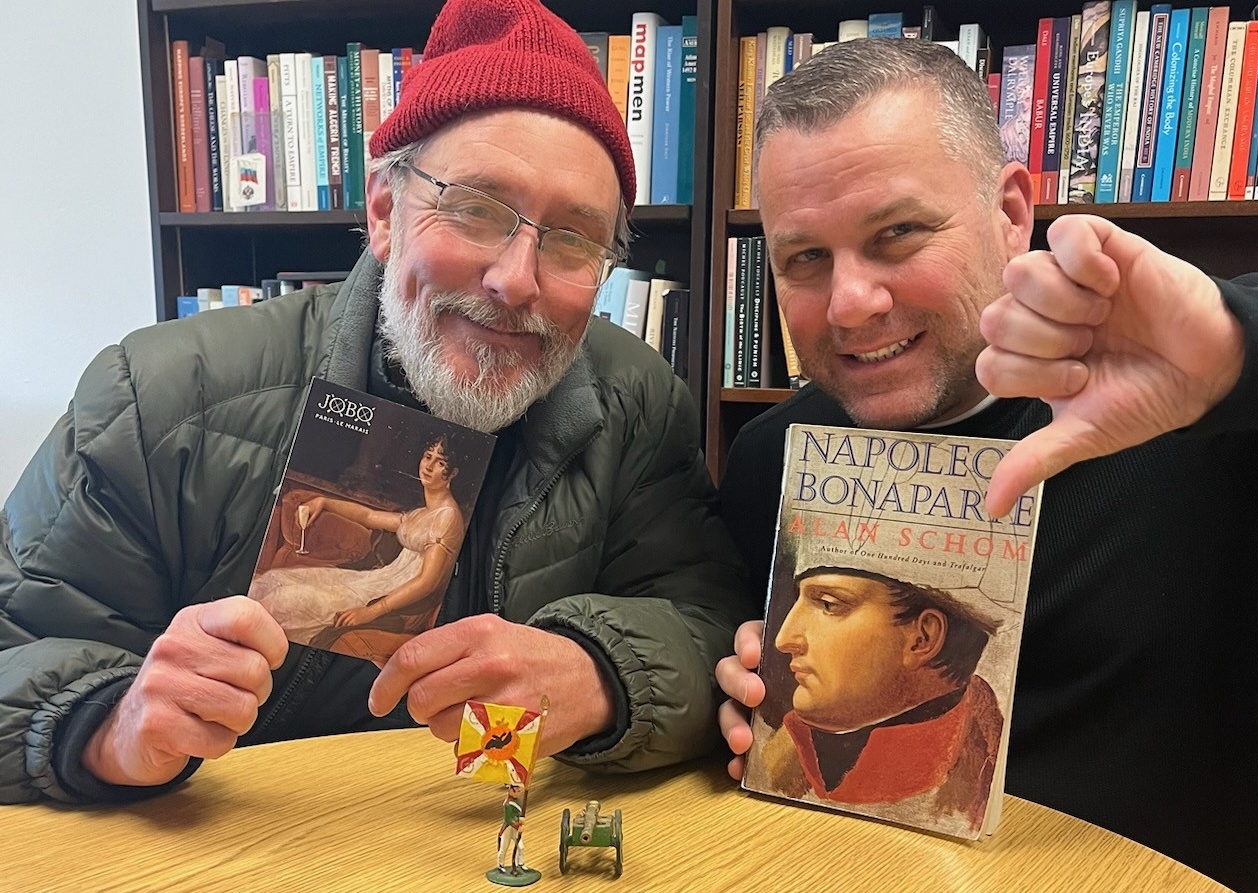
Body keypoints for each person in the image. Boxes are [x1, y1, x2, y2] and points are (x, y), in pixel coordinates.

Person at [0, 0, 751, 808]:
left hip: (489, 842)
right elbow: (18, 644)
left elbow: (717, 622)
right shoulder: (158, 397)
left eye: (573, 237)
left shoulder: (637, 403)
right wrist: (109, 726)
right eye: (476, 209)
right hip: (228, 849)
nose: (515, 280)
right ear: (385, 211)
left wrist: (604, 671)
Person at [714, 37, 1258, 893]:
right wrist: (729, 698)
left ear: (1012, 210)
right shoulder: (768, 462)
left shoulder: (1205, 420)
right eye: (805, 258)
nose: (851, 302)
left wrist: (1244, 348)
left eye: (897, 234)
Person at [753, 566, 1003, 836]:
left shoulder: (971, 778)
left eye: (828, 605)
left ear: (922, 638)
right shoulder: (779, 747)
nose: (783, 640)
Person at [250, 435, 467, 663]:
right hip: (377, 582)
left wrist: (371, 612)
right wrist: (324, 501)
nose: (429, 466)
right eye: (427, 456)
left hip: (393, 600)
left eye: (440, 462)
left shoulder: (447, 517)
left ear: (452, 473)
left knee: (285, 600)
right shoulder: (422, 514)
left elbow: (427, 582)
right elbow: (369, 516)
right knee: (274, 580)